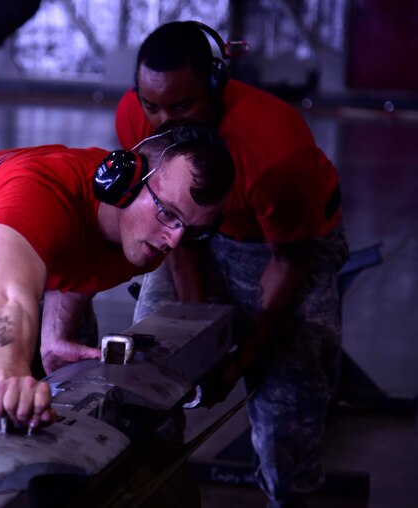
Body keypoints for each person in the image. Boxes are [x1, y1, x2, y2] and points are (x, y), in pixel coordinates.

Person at [116, 21, 350, 508]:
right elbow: (175, 231)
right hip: (195, 233)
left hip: (281, 249)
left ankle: (289, 496)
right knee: (148, 373)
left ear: (216, 87)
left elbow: (288, 260)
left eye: (182, 106)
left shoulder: (273, 149)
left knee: (288, 412)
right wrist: (201, 337)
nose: (162, 123)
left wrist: (239, 359)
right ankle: (162, 494)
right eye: (152, 105)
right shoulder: (137, 122)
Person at [0, 120, 235, 429]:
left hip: (37, 250)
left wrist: (54, 335)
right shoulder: (37, 200)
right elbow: (8, 301)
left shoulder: (148, 232)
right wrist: (8, 377)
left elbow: (84, 262)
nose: (175, 240)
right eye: (168, 213)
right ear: (124, 184)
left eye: (190, 229)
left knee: (79, 403)